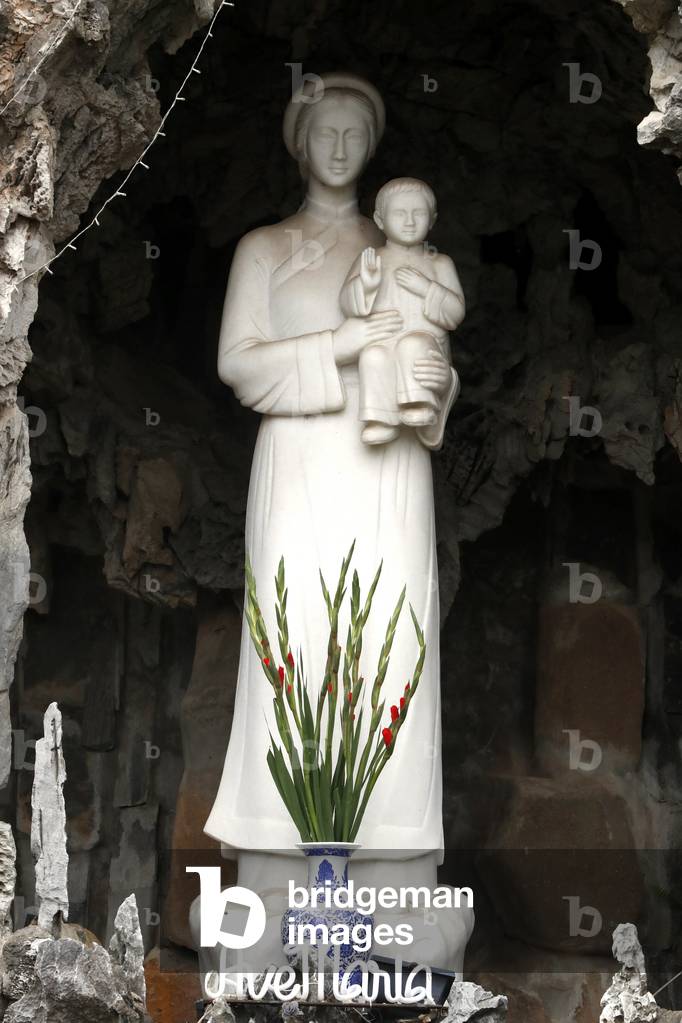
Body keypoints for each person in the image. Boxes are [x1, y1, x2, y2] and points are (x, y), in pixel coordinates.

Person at [193, 72, 472, 981]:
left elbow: (434, 357)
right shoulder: (267, 248)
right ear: (300, 139)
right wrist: (342, 348)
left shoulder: (406, 246)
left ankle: (395, 896)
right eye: (328, 131)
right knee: (296, 650)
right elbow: (240, 365)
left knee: (393, 652)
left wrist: (434, 390)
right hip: (301, 464)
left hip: (388, 468)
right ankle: (276, 889)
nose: (342, 148)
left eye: (358, 132)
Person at [340, 178, 465, 444]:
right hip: (383, 341)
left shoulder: (439, 263)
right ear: (380, 220)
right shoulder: (373, 258)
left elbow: (455, 314)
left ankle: (419, 402)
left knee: (413, 344)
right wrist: (367, 285)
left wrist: (427, 288)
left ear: (432, 220)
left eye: (418, 213)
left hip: (426, 345)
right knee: (373, 356)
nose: (409, 221)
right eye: (399, 213)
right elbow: (348, 304)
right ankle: (380, 416)